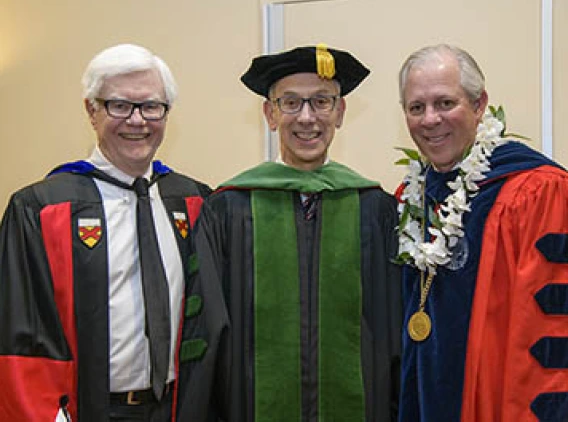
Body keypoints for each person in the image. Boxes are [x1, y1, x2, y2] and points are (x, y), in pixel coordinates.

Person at [0, 43, 228, 422]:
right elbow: (21, 334)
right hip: (88, 409)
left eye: (151, 106)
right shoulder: (40, 208)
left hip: (179, 407)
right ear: (92, 110)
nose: (137, 121)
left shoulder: (195, 201)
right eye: (119, 105)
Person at [207, 44, 402, 422]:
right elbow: (214, 332)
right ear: (270, 113)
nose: (307, 118)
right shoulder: (230, 207)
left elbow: (392, 329)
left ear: (340, 112)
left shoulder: (373, 207)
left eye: (321, 102)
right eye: (291, 103)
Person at [395, 43, 568, 422]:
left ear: (479, 105)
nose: (430, 120)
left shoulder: (537, 193)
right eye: (416, 107)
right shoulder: (411, 196)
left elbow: (545, 334)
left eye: (445, 103)